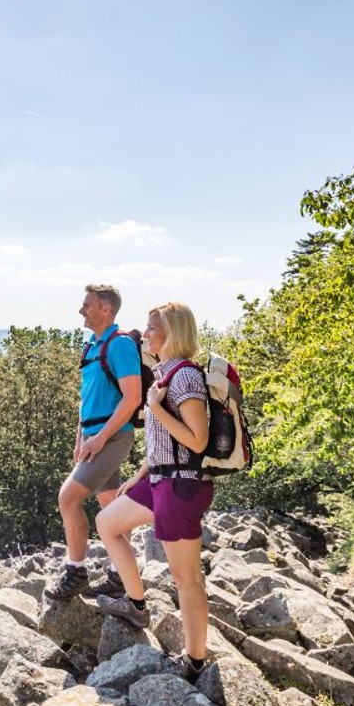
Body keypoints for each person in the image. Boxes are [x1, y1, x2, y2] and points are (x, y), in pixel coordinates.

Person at [92, 301, 215, 679]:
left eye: (151, 328)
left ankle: (195, 661)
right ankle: (136, 604)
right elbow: (165, 440)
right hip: (158, 478)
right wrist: (140, 474)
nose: (144, 333)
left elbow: (197, 441)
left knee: (186, 579)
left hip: (181, 486)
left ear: (172, 333)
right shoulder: (164, 375)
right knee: (107, 523)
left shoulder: (186, 377)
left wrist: (156, 408)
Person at [44, 284, 143, 601]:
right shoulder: (91, 345)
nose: (80, 310)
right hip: (94, 436)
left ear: (105, 309)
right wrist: (81, 438)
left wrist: (100, 439)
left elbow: (132, 398)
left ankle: (75, 571)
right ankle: (119, 576)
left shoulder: (120, 344)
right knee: (112, 505)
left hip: (112, 437)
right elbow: (86, 399)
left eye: (86, 305)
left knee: (68, 498)